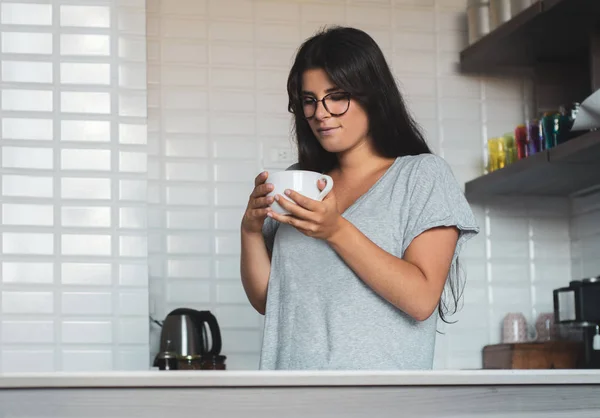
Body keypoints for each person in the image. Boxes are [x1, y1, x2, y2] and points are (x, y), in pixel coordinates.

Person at [240, 26, 479, 370]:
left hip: (380, 403)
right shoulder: (302, 185)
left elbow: (421, 299)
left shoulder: (422, 176)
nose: (320, 113)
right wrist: (249, 230)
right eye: (309, 100)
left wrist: (335, 230)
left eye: (336, 96)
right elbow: (270, 301)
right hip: (290, 402)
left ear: (372, 95)